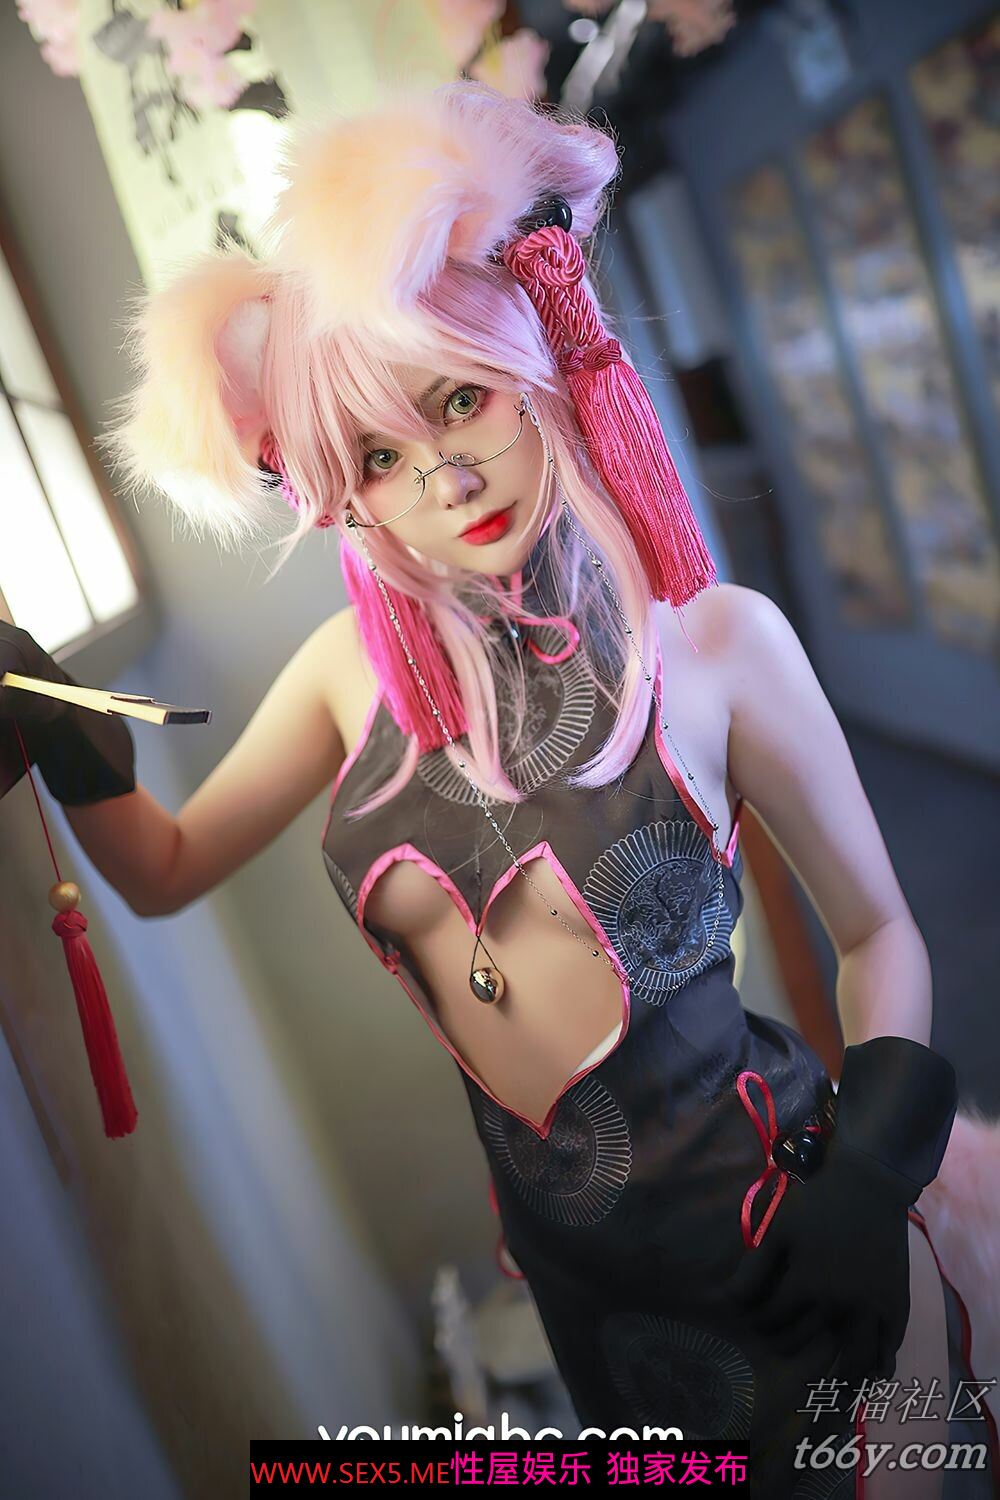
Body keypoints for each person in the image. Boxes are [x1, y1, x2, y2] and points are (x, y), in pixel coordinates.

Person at [1, 82, 996, 1498]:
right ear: (340, 496)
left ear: (529, 369)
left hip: (795, 1236)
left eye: (460, 399)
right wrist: (52, 707)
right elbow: (160, 871)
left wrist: (871, 1178)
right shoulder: (347, 675)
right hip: (590, 1303)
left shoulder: (716, 645)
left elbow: (879, 929)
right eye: (379, 457)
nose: (445, 474)